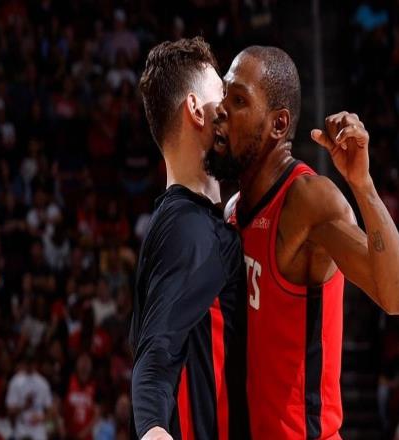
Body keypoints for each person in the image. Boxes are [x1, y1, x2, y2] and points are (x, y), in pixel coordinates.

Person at [205, 46, 399, 439]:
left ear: (278, 124)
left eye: (239, 101)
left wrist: (362, 185)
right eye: (224, 96)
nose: (222, 110)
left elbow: (397, 297)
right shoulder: (232, 211)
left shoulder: (308, 201)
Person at [130, 37, 249, 440]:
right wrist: (153, 429)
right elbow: (156, 357)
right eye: (223, 98)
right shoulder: (190, 229)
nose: (230, 113)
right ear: (196, 110)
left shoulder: (188, 220)